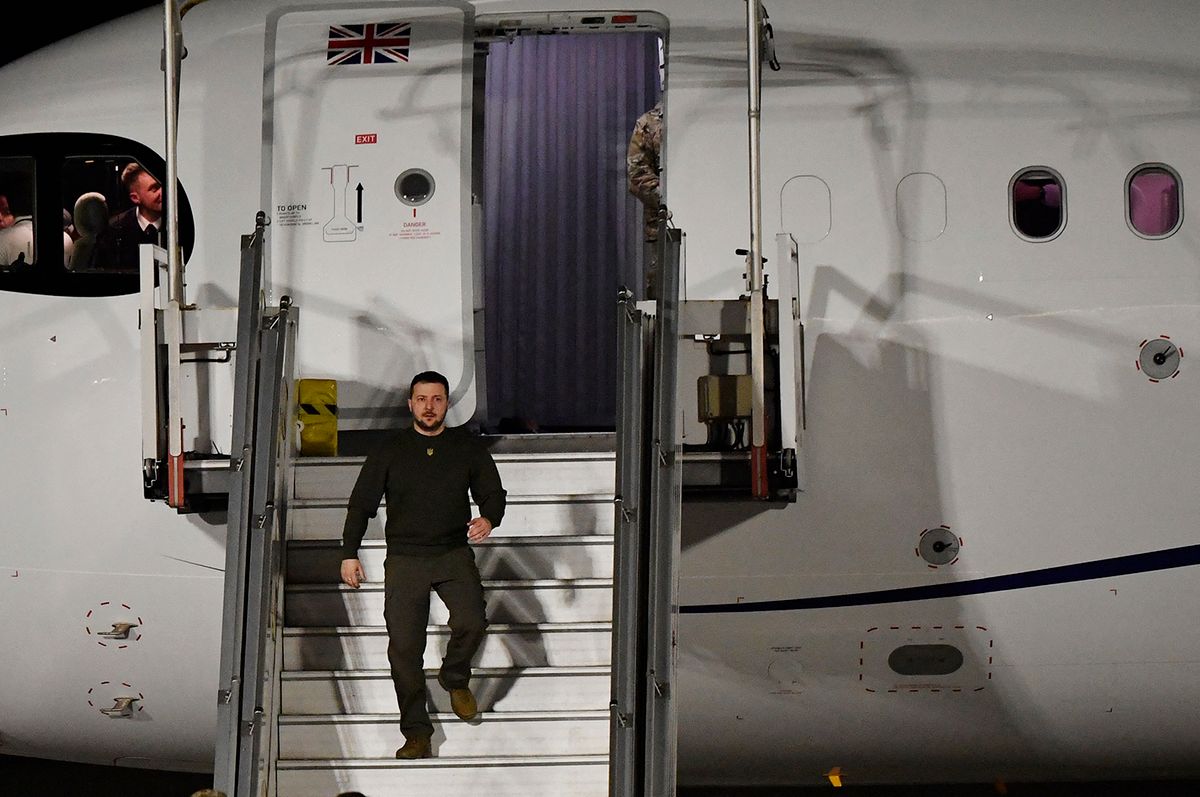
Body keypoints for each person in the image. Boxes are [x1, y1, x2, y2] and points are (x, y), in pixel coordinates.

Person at [340, 370, 506, 760]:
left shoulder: (466, 447)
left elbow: (492, 491)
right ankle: (417, 731)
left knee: (472, 622)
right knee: (404, 650)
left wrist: (489, 518)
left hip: (451, 553)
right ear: (410, 403)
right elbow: (361, 503)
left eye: (436, 399)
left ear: (447, 403)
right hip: (405, 559)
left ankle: (454, 677)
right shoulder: (391, 448)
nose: (429, 406)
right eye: (421, 399)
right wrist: (349, 553)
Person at [627, 99, 664, 299]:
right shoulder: (649, 123)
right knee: (664, 294)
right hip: (665, 230)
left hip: (715, 222)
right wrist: (669, 196)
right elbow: (637, 175)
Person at [110, 161, 163, 268]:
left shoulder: (180, 225)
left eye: (163, 185)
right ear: (135, 198)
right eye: (154, 188)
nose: (162, 192)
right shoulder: (115, 229)